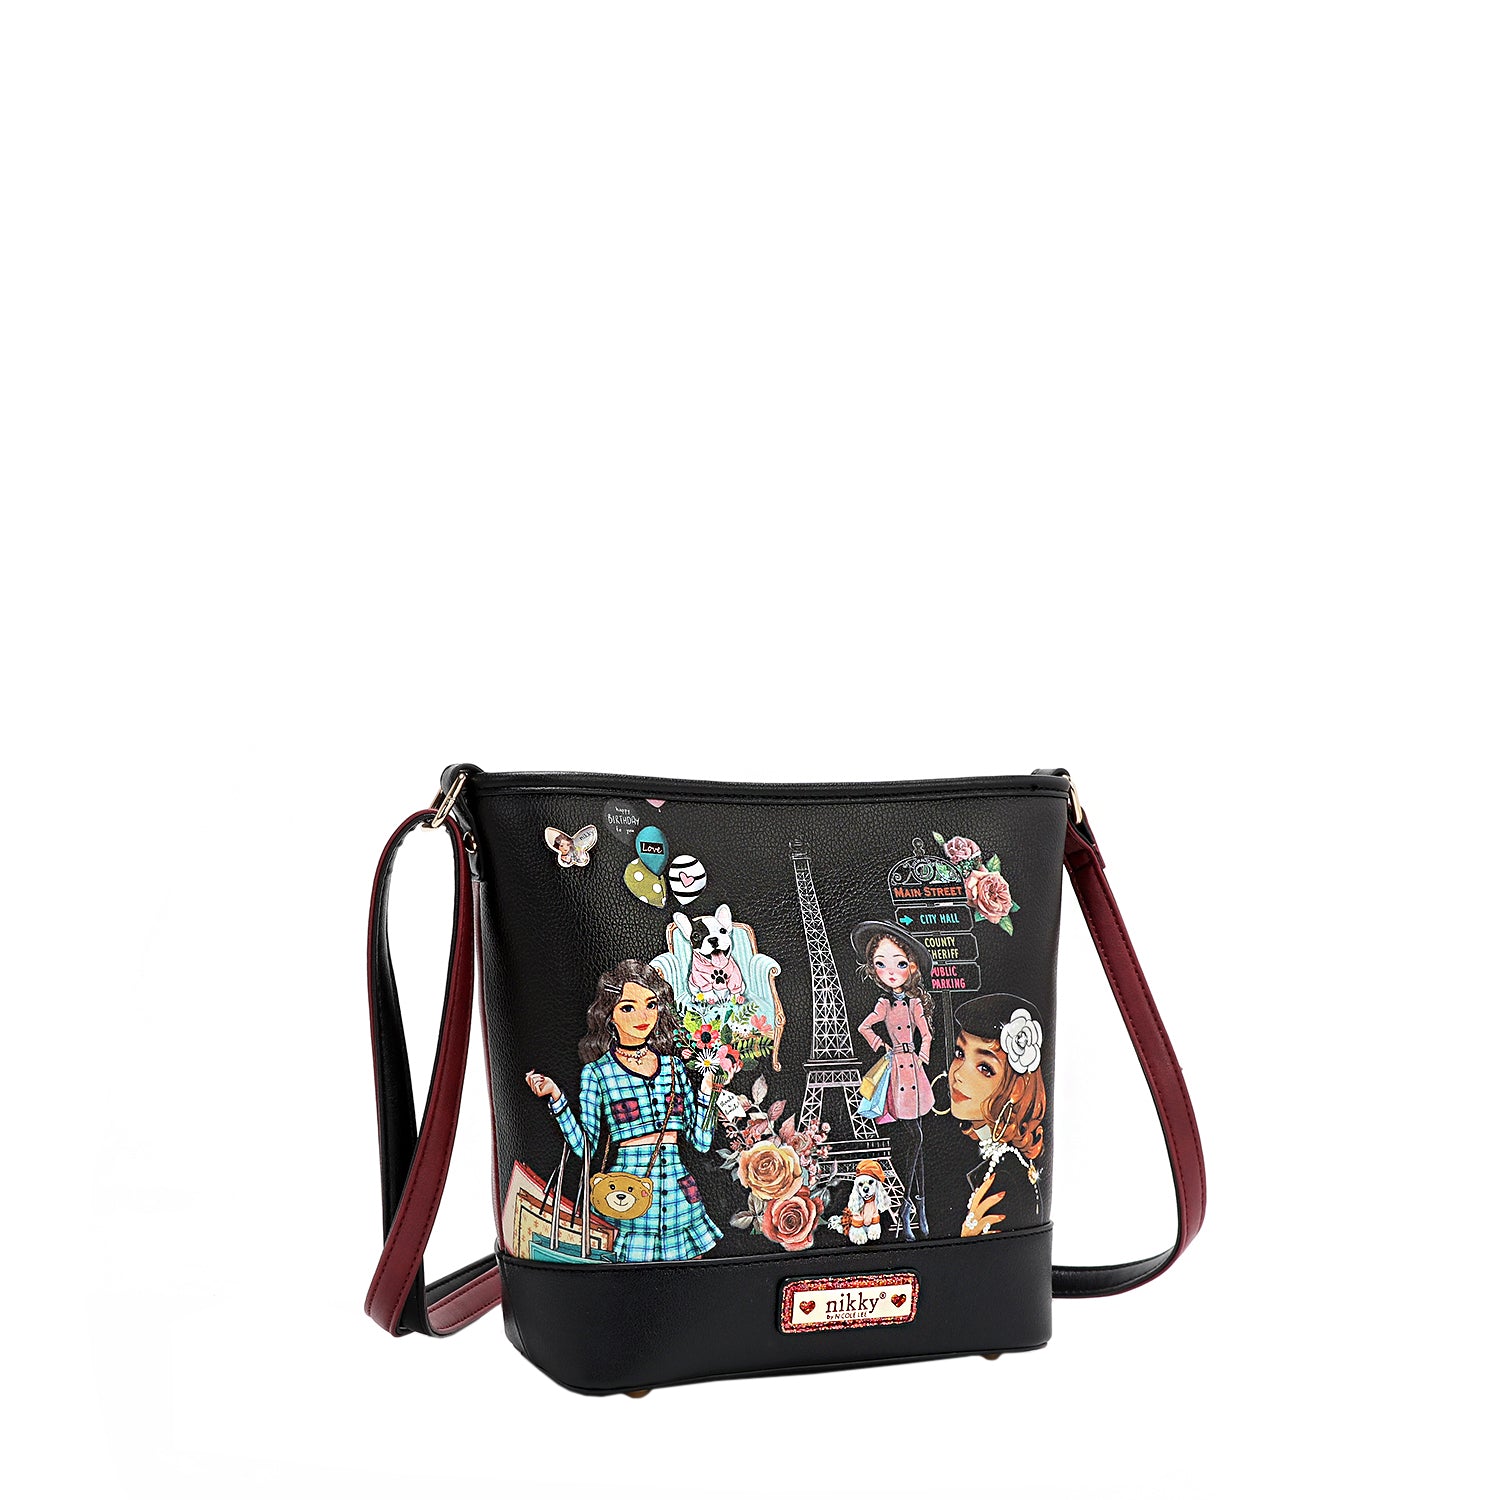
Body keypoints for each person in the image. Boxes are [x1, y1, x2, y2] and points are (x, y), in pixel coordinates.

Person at [525, 959, 727, 1261]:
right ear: (609, 1016)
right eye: (628, 1007)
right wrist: (556, 1097)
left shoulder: (673, 1067)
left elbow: (701, 1141)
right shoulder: (598, 1073)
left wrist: (708, 1091)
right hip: (627, 1197)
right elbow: (586, 1147)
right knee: (630, 1277)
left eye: (651, 1005)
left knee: (691, 1279)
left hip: (681, 1200)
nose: (643, 1016)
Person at [851, 920, 936, 1238]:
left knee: (918, 1140)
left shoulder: (914, 1003)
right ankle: (911, 1206)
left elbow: (927, 1034)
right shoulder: (884, 1004)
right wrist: (882, 1046)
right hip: (897, 1070)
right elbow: (864, 1027)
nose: (890, 972)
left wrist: (922, 1056)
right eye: (881, 964)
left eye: (899, 964)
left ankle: (916, 1208)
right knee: (916, 1138)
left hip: (913, 1069)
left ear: (911, 967)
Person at [947, 993, 1047, 1236]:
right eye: (960, 1053)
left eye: (985, 1068)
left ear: (1016, 1089)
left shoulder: (1004, 1177)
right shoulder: (1001, 1161)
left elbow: (1002, 1259)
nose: (958, 1074)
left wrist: (968, 1236)